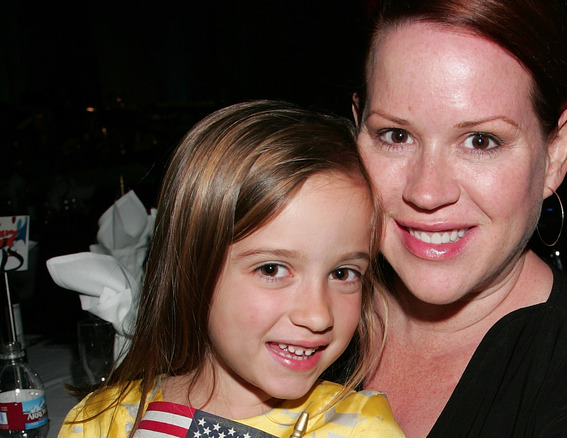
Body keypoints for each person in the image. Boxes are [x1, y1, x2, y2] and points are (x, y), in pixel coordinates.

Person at [351, 0, 567, 436]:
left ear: (556, 153)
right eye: (396, 135)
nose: (426, 192)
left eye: (481, 141)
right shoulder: (293, 310)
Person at [59, 100, 403, 438]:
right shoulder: (99, 422)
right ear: (193, 270)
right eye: (272, 269)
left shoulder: (359, 429)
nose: (318, 316)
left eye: (343, 273)